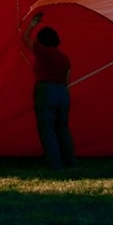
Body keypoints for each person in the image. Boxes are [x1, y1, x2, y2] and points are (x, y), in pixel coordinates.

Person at [26, 10, 77, 170]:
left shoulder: (43, 52)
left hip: (47, 91)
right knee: (62, 127)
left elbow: (24, 39)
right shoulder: (65, 58)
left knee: (47, 128)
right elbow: (68, 80)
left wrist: (32, 25)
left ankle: (55, 164)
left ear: (41, 41)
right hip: (63, 93)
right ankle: (70, 161)